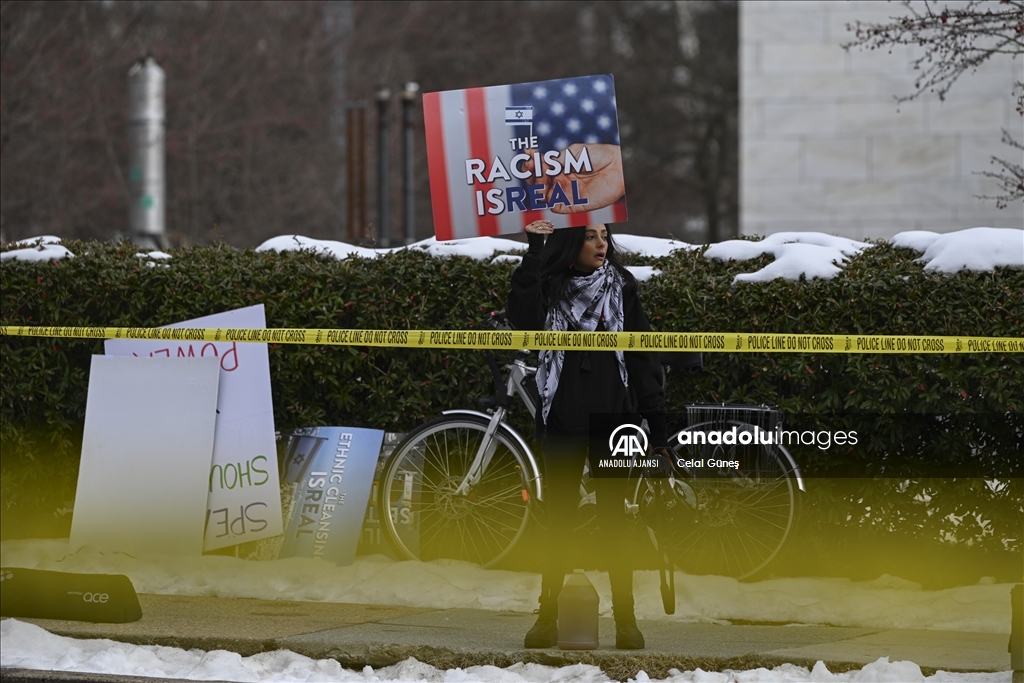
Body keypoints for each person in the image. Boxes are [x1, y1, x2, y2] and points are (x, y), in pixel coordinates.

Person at [506, 220, 669, 650]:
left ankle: (626, 621)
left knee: (617, 522)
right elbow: (521, 316)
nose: (602, 244)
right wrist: (534, 248)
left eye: (604, 236)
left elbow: (641, 352)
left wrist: (655, 417)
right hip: (562, 417)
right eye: (590, 236)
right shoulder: (549, 287)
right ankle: (546, 617)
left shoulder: (622, 288)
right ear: (570, 243)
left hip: (613, 417)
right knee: (557, 520)